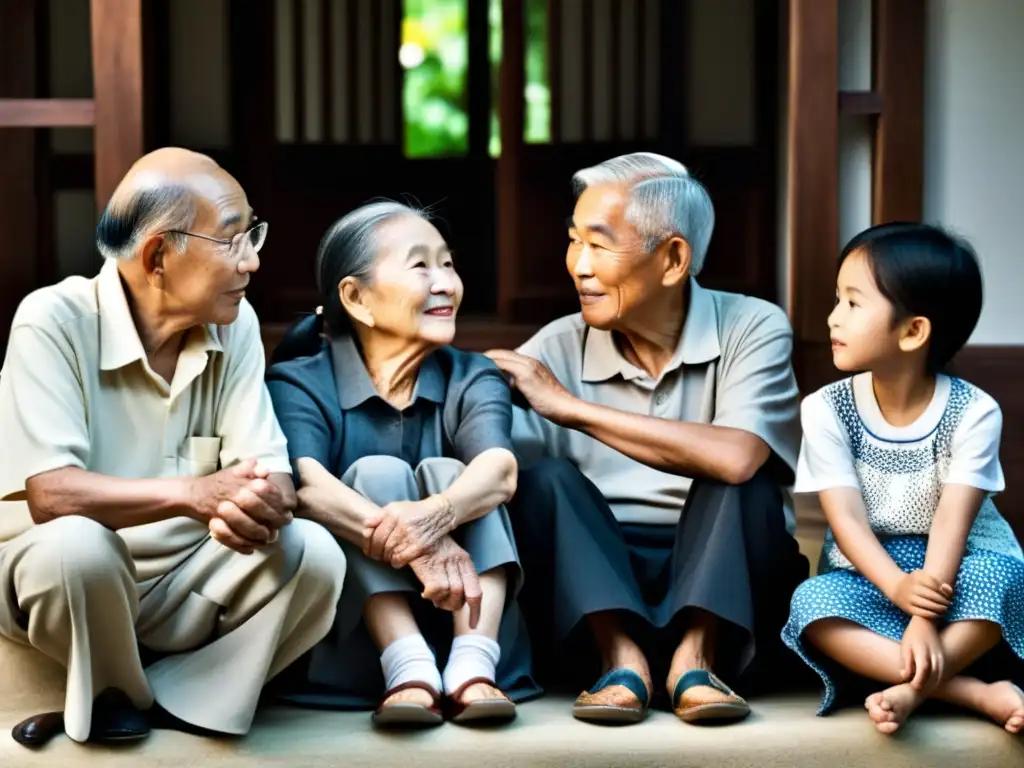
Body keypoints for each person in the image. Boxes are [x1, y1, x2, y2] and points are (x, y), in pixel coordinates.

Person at [0, 148, 347, 748]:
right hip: (61, 581)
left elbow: (269, 472)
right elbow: (52, 494)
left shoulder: (233, 325)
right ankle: (120, 695)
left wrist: (263, 501)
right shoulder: (52, 318)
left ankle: (165, 698)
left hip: (184, 580)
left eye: (253, 236)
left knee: (314, 553)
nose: (254, 261)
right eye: (235, 241)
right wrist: (196, 494)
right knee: (80, 546)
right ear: (159, 255)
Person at [486, 152, 809, 725]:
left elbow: (736, 458)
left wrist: (571, 409)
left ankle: (697, 658)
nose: (578, 265)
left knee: (742, 475)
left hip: (725, 580)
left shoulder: (753, 326)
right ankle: (620, 657)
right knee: (548, 481)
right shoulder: (556, 345)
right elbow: (485, 451)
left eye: (598, 244)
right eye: (573, 241)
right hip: (592, 584)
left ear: (673, 259)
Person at [264, 201, 538, 728]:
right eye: (421, 266)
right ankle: (408, 665)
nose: (446, 283)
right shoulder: (299, 381)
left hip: (474, 621)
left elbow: (500, 470)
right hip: (357, 642)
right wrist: (425, 539)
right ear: (356, 298)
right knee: (373, 474)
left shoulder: (471, 373)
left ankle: (472, 665)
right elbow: (307, 489)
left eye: (449, 264)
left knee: (456, 475)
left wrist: (435, 514)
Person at [781, 222, 1024, 735]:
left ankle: (907, 684)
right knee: (811, 604)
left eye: (852, 303)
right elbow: (844, 519)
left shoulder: (974, 412)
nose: (832, 318)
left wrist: (921, 616)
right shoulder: (826, 409)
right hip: (871, 570)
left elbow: (951, 526)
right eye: (836, 300)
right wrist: (895, 588)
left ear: (913, 331)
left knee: (1003, 578)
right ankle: (973, 693)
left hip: (956, 566)